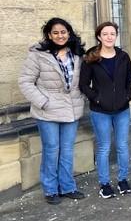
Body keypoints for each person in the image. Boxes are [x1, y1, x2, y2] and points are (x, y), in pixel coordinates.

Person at [18, 18, 87, 204]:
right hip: (47, 111)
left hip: (71, 109)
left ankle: (67, 187)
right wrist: (43, 101)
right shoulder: (38, 55)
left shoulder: (77, 54)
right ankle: (50, 189)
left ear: (69, 33)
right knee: (51, 150)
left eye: (63, 32)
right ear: (49, 35)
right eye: (55, 33)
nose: (60, 36)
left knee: (67, 150)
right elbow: (25, 82)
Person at [79, 22, 131, 199]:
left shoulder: (123, 57)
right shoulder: (91, 57)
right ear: (99, 36)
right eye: (105, 34)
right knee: (103, 147)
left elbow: (130, 81)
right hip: (100, 111)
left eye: (112, 33)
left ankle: (123, 180)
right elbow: (83, 84)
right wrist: (96, 98)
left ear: (116, 35)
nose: (109, 37)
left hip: (122, 110)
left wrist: (127, 96)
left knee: (122, 146)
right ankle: (104, 184)